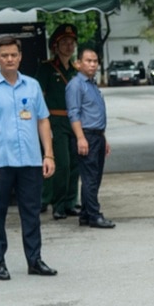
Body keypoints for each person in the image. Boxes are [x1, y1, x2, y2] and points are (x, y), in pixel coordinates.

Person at [0, 35, 57, 280]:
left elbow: (43, 120)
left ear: (20, 57)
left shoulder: (32, 86)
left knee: (31, 212)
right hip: (1, 162)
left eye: (14, 55)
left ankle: (35, 260)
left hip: (30, 160)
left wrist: (48, 154)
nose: (9, 59)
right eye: (4, 55)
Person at [34, 24, 81, 220]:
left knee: (75, 163)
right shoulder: (46, 68)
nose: (69, 46)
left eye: (72, 43)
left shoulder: (76, 71)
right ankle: (59, 204)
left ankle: (71, 201)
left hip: (74, 121)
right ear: (55, 46)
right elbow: (38, 97)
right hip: (55, 121)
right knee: (61, 163)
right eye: (64, 43)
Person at [65, 46, 113, 229]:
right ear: (78, 63)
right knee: (90, 178)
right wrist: (80, 138)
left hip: (97, 136)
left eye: (95, 61)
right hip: (86, 136)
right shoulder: (75, 85)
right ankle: (94, 214)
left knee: (95, 177)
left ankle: (86, 213)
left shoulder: (91, 84)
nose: (92, 64)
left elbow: (94, 113)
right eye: (88, 61)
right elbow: (73, 113)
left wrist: (103, 138)